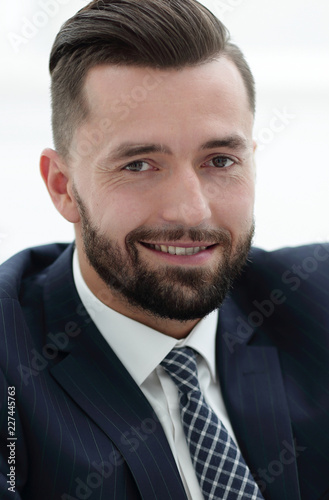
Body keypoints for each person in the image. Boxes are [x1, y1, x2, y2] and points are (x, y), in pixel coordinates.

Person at [0, 0, 328, 498]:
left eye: (219, 160)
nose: (191, 211)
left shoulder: (316, 304)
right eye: (139, 165)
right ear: (63, 186)